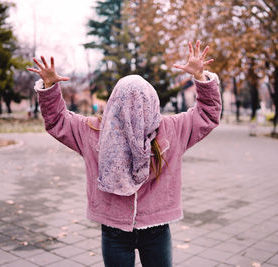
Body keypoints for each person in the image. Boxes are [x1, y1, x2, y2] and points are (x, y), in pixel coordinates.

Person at [28, 40, 222, 267]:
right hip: (114, 231)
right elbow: (59, 121)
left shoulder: (169, 130)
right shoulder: (94, 132)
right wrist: (50, 88)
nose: (135, 113)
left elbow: (207, 116)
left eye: (140, 105)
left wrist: (201, 78)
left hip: (156, 228)